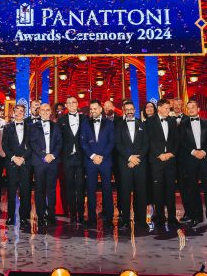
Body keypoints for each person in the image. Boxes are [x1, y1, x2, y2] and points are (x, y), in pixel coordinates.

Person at [177, 100, 207, 228]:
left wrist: (203, 151)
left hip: (205, 158)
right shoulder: (182, 124)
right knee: (192, 189)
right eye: (188, 108)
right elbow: (182, 141)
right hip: (190, 159)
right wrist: (194, 152)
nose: (191, 109)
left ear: (198, 109)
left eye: (193, 107)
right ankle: (196, 217)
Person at [79, 100, 115, 229]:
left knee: (107, 190)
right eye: (91, 109)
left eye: (95, 108)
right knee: (90, 190)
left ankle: (109, 219)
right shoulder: (85, 123)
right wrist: (93, 156)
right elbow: (83, 142)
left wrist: (102, 156)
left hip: (105, 161)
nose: (93, 111)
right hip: (90, 161)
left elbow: (111, 142)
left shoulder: (109, 123)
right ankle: (92, 219)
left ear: (101, 109)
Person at [115, 99, 149, 230]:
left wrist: (137, 158)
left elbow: (146, 144)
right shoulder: (118, 125)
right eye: (127, 109)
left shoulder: (142, 124)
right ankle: (125, 221)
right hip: (125, 163)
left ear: (134, 110)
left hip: (140, 163)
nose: (129, 112)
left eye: (131, 109)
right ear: (124, 111)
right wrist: (129, 157)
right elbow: (118, 144)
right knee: (125, 192)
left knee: (141, 192)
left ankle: (142, 220)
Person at [147, 98, 179, 228]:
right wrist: (159, 154)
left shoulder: (172, 121)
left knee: (171, 189)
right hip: (156, 160)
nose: (168, 110)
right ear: (159, 108)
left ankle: (172, 217)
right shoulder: (150, 121)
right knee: (158, 189)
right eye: (166, 108)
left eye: (169, 108)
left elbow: (176, 140)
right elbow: (149, 141)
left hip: (170, 160)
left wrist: (171, 153)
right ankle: (160, 217)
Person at [29, 102, 62, 226]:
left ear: (50, 112)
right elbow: (33, 143)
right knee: (40, 190)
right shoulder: (32, 126)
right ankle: (41, 215)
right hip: (39, 162)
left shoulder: (56, 126)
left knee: (51, 190)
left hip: (53, 162)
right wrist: (44, 155)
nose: (45, 112)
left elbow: (59, 143)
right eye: (42, 110)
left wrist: (52, 155)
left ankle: (51, 215)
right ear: (39, 112)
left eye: (47, 110)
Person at [57, 96, 87, 224]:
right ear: (66, 105)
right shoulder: (61, 120)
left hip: (81, 157)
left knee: (81, 186)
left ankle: (81, 214)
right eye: (69, 103)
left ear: (77, 104)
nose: (71, 104)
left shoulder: (85, 119)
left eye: (73, 102)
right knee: (69, 186)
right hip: (67, 158)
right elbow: (59, 140)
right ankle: (72, 214)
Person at [2, 103, 32, 227]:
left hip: (25, 163)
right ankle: (10, 216)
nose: (19, 113)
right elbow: (4, 145)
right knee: (11, 190)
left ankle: (24, 217)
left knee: (25, 191)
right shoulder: (7, 127)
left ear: (24, 113)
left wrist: (23, 158)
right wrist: (14, 158)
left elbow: (31, 145)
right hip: (12, 163)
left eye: (21, 111)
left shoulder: (30, 127)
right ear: (13, 112)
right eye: (17, 111)